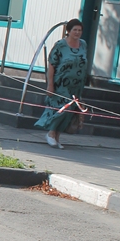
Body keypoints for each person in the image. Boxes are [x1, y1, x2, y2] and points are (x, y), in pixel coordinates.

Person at [35, 18, 88, 149]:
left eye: (79, 30)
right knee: (62, 108)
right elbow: (52, 65)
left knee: (70, 111)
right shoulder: (60, 45)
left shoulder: (83, 44)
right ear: (68, 31)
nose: (77, 33)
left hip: (76, 85)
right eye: (74, 30)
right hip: (61, 83)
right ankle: (51, 133)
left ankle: (57, 136)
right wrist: (50, 84)